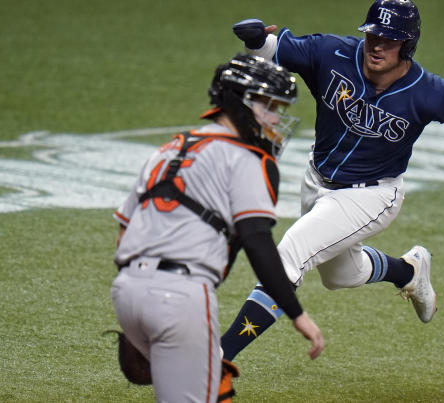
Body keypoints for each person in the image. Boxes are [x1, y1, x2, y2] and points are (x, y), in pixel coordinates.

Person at [220, 0, 444, 362]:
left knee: (290, 254)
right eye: (373, 35)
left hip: (372, 195)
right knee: (341, 276)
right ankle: (408, 269)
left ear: (407, 45)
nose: (377, 45)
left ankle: (219, 357)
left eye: (389, 39)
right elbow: (274, 48)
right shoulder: (332, 54)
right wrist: (254, 40)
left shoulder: (429, 91)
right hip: (317, 181)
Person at [110, 53, 324, 403]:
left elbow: (123, 234)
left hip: (127, 292)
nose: (275, 118)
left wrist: (142, 304)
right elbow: (257, 240)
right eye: (267, 105)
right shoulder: (243, 158)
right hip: (180, 298)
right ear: (238, 103)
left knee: (214, 387)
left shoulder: (168, 150)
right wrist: (297, 314)